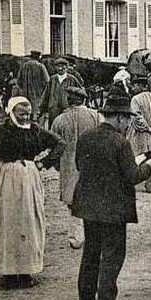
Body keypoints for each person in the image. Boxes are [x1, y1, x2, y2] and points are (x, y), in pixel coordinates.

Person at [73, 96, 151, 300]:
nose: (128, 125)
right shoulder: (120, 142)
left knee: (90, 255)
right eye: (128, 120)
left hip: (88, 207)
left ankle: (85, 298)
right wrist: (148, 166)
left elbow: (80, 165)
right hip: (113, 210)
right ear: (121, 118)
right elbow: (132, 176)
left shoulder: (86, 137)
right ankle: (106, 298)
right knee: (112, 258)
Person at [0, 97, 65, 289]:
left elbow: (60, 144)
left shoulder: (35, 130)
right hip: (6, 178)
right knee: (8, 222)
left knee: (30, 221)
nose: (26, 118)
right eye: (21, 114)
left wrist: (44, 163)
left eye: (28, 114)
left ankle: (26, 271)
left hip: (28, 179)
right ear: (11, 112)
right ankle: (8, 272)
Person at [51, 87, 102, 249]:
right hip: (92, 165)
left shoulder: (59, 120)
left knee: (72, 202)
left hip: (68, 166)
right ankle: (93, 235)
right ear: (84, 100)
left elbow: (53, 146)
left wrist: (56, 164)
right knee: (92, 199)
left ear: (68, 100)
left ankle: (76, 238)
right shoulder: (96, 116)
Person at [39, 58, 84, 127]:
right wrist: (41, 109)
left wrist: (76, 105)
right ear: (55, 67)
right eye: (58, 66)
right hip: (53, 111)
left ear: (67, 67)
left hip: (67, 111)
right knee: (53, 129)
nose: (60, 68)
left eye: (63, 66)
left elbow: (81, 93)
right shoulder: (52, 79)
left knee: (67, 128)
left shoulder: (72, 79)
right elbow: (46, 95)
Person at [16, 51, 50, 119]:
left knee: (26, 113)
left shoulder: (23, 66)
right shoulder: (41, 66)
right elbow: (47, 81)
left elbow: (18, 81)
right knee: (37, 115)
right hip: (38, 95)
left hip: (25, 95)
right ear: (38, 57)